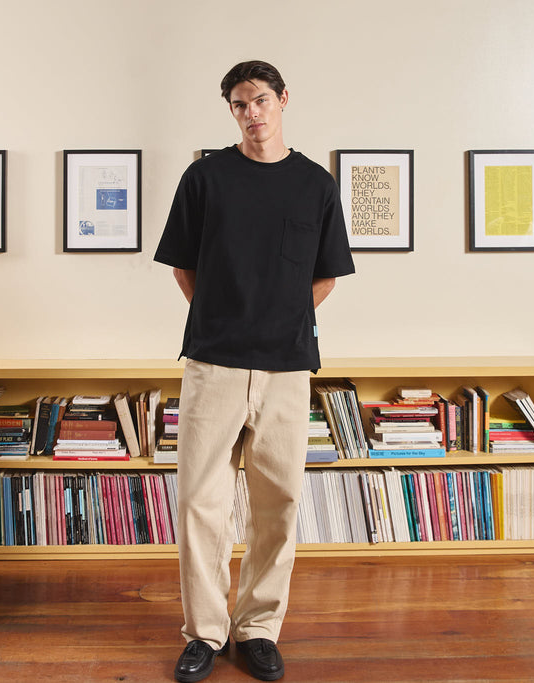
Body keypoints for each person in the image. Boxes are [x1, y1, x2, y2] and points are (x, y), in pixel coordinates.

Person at [153, 60, 355, 682]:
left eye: (261, 100)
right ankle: (206, 634)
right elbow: (183, 266)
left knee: (280, 503)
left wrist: (276, 320)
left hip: (288, 368)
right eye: (240, 105)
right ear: (232, 111)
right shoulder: (205, 178)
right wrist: (225, 321)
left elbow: (324, 276)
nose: (252, 113)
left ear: (283, 100)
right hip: (213, 363)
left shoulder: (315, 184)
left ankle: (260, 628)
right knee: (198, 502)